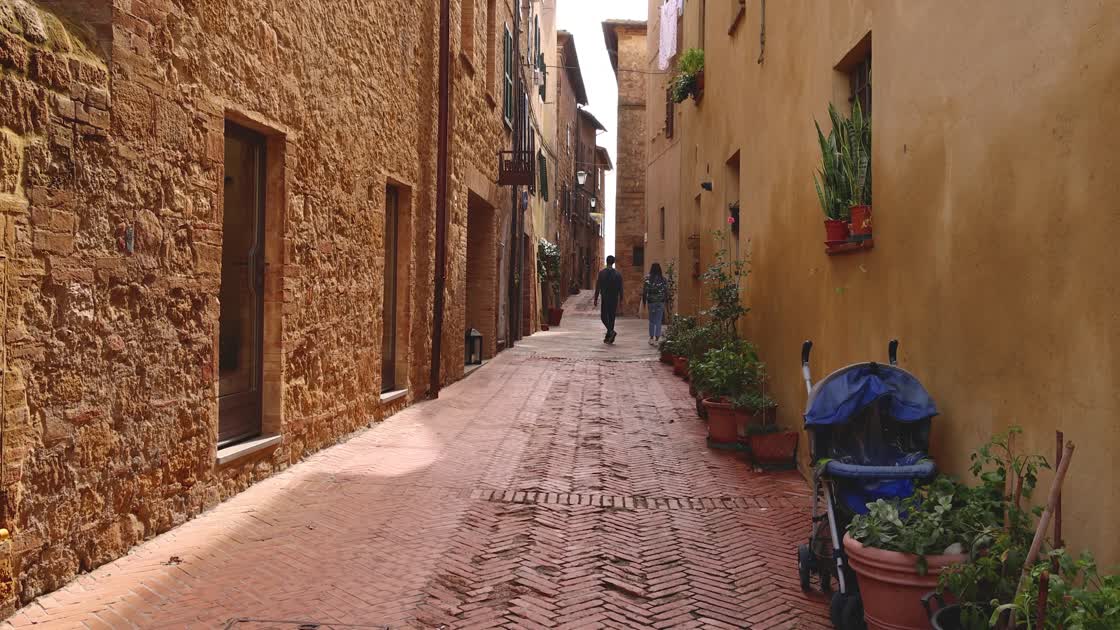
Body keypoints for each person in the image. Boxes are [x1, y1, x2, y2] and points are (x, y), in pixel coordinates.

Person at [593, 255, 623, 344]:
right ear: (613, 262)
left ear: (607, 261)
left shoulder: (602, 273)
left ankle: (610, 333)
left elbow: (598, 286)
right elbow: (621, 288)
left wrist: (595, 298)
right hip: (614, 298)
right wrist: (621, 299)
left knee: (603, 316)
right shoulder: (618, 274)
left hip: (605, 298)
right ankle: (610, 335)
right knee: (611, 317)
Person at [640, 263, 668, 345]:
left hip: (651, 302)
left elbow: (645, 292)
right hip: (660, 302)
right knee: (658, 320)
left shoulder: (647, 279)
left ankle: (651, 338)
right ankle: (657, 339)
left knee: (652, 320)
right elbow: (666, 292)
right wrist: (666, 302)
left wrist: (644, 303)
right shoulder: (663, 279)